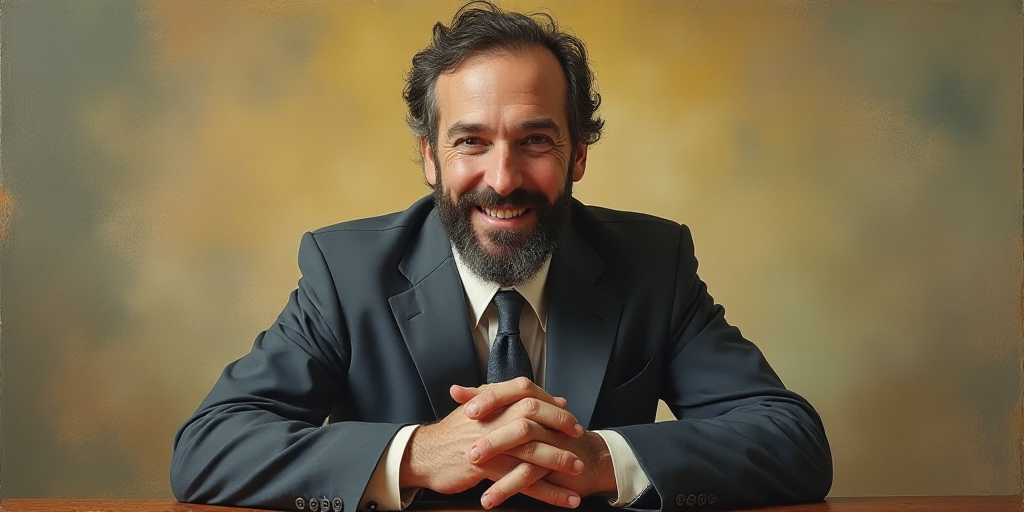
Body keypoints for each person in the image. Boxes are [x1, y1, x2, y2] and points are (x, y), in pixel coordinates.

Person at [170, 3, 833, 512]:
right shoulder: (345, 272)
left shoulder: (653, 264)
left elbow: (792, 441)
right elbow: (210, 445)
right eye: (471, 141)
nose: (504, 177)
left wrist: (602, 458)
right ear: (431, 157)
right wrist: (413, 454)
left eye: (535, 140)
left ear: (578, 153)